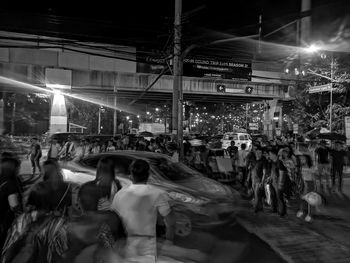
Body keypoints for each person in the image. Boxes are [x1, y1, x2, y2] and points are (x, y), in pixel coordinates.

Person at [111, 159, 175, 261]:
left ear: (131, 174)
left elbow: (112, 223)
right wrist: (168, 242)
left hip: (125, 246)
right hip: (148, 246)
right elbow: (170, 222)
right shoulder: (158, 193)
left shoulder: (119, 195)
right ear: (148, 174)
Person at [0, 157, 22, 252]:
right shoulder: (11, 184)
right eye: (18, 168)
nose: (19, 170)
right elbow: (14, 206)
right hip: (4, 219)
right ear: (13, 169)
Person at [268, 148, 289, 217]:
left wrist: (280, 184)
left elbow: (282, 174)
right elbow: (272, 171)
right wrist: (270, 178)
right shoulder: (273, 162)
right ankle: (274, 209)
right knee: (273, 196)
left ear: (274, 155)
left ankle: (282, 212)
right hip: (273, 181)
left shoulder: (279, 162)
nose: (269, 156)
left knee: (279, 197)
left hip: (277, 183)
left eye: (270, 154)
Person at [250, 147, 267, 213]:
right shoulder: (254, 160)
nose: (258, 154)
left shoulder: (263, 161)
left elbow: (264, 172)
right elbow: (252, 170)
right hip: (253, 179)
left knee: (257, 194)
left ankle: (255, 209)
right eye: (257, 152)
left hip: (259, 180)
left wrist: (262, 182)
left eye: (260, 153)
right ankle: (260, 207)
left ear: (262, 154)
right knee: (256, 194)